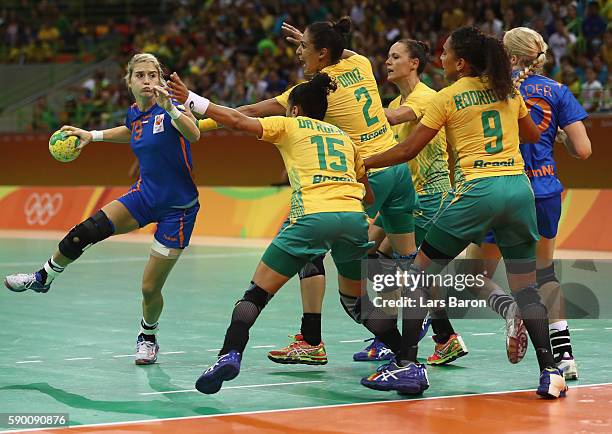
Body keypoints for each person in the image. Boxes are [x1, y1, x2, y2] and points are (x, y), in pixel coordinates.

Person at [170, 17, 419, 366]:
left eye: (304, 48)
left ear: (323, 52)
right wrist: (314, 40)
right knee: (406, 260)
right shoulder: (360, 63)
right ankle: (437, 333)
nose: (298, 52)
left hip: (366, 171)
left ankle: (313, 340)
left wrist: (197, 122)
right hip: (396, 169)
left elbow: (248, 113)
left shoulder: (312, 92)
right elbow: (338, 50)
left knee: (310, 248)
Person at [359, 27, 567, 399]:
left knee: (417, 277)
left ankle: (407, 365)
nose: (440, 58)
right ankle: (551, 372)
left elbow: (407, 150)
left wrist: (366, 162)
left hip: (478, 190)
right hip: (519, 190)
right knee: (527, 286)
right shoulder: (508, 90)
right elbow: (533, 135)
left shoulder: (448, 97)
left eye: (445, 53)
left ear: (461, 62)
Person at [4, 53, 201, 366]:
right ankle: (43, 277)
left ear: (160, 80)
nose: (148, 81)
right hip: (144, 195)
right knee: (85, 232)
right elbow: (130, 131)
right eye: (141, 75)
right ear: (130, 81)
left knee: (150, 288)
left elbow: (194, 133)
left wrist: (171, 110)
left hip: (177, 211)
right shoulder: (135, 113)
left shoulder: (171, 109)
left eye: (153, 75)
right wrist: (92, 135)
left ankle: (148, 336)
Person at [191, 73, 377, 394]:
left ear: (294, 110)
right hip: (353, 215)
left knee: (256, 294)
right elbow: (369, 194)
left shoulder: (290, 125)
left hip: (311, 215)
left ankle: (229, 354)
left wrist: (192, 101)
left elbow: (238, 119)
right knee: (357, 303)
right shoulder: (345, 137)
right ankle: (407, 359)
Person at [467, 27, 591, 381]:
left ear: (508, 56)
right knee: (545, 274)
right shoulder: (557, 91)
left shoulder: (491, 89)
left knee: (476, 277)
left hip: (502, 188)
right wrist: (561, 134)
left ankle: (508, 309)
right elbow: (583, 151)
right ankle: (565, 355)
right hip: (545, 190)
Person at [353, 39, 465, 366]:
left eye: (395, 56)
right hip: (404, 195)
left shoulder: (426, 98)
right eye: (387, 56)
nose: (388, 61)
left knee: (412, 270)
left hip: (430, 196)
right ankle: (432, 337)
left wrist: (351, 105)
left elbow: (390, 118)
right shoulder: (399, 98)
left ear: (414, 63)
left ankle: (433, 337)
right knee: (373, 253)